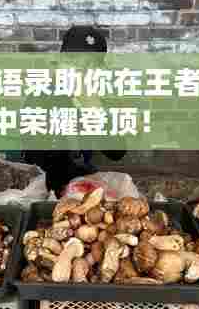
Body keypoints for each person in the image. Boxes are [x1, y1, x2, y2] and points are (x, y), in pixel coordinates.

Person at [22, 26, 126, 197]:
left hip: (84, 183)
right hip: (48, 187)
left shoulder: (98, 97)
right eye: (75, 61)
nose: (81, 70)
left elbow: (117, 152)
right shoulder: (41, 95)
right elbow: (33, 154)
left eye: (91, 64)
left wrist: (93, 108)